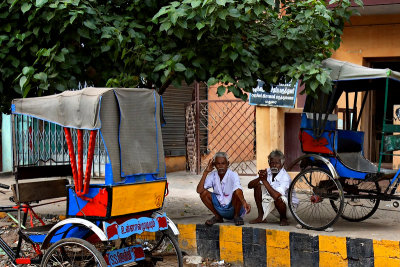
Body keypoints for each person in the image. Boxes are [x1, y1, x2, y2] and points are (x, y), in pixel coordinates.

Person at [196, 152, 251, 226]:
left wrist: (244, 202)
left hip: (233, 208)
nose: (221, 166)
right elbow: (199, 190)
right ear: (214, 165)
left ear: (227, 164)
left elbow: (238, 190)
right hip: (219, 208)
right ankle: (218, 217)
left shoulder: (233, 175)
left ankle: (236, 216)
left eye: (223, 163)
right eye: (218, 164)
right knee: (203, 194)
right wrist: (206, 172)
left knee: (237, 192)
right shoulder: (213, 175)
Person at [248, 149, 298, 226]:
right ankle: (261, 217)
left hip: (289, 210)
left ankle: (283, 219)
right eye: (272, 163)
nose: (274, 165)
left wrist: (264, 181)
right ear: (269, 163)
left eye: (277, 163)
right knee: (257, 186)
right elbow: (249, 185)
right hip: (274, 206)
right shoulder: (267, 171)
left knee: (279, 198)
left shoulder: (285, 177)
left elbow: (276, 196)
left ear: (282, 164)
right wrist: (260, 178)